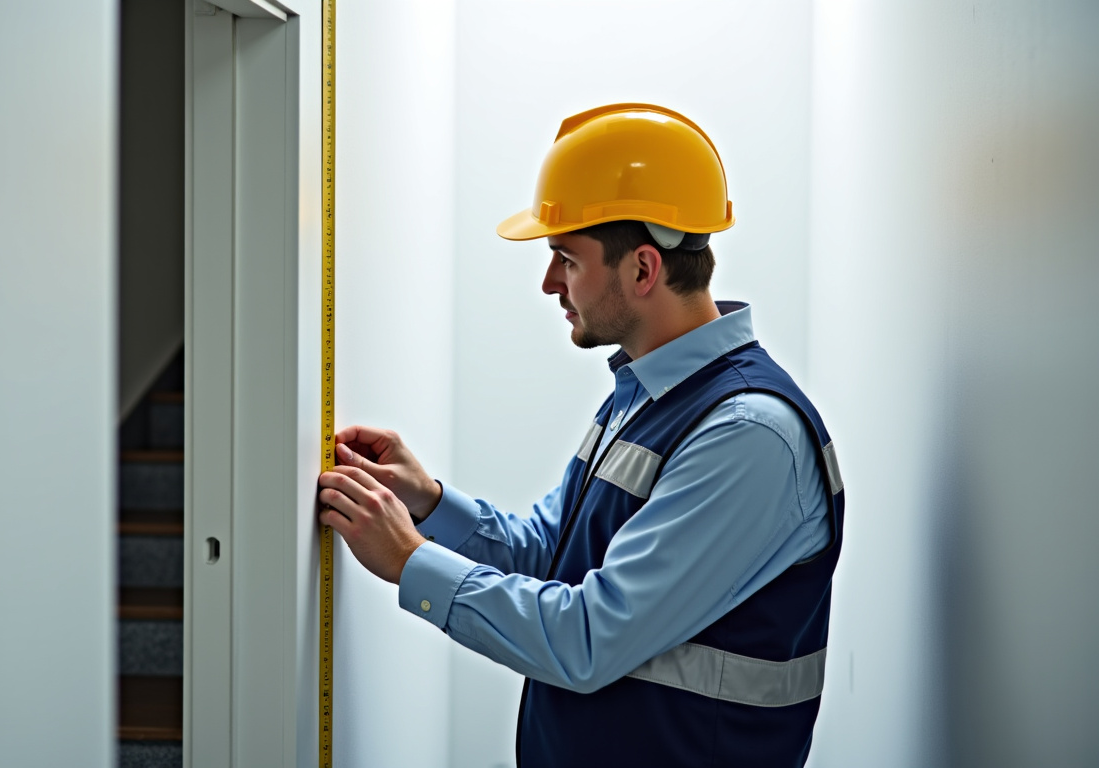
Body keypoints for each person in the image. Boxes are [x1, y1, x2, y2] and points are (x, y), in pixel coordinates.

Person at [316, 103, 845, 768]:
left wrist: (409, 560)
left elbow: (588, 638)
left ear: (643, 269)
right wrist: (429, 503)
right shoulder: (645, 395)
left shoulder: (749, 437)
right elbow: (553, 553)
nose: (549, 283)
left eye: (566, 258)